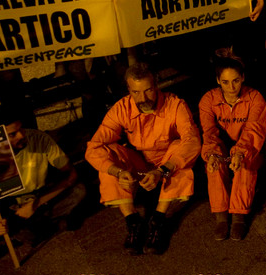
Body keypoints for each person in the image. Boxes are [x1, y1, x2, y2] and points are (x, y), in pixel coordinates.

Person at [86, 64, 201, 255]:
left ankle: (158, 219)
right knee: (108, 153)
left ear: (156, 86)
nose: (143, 98)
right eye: (136, 92)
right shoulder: (121, 109)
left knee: (180, 148)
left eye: (148, 91)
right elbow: (93, 147)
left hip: (166, 164)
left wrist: (163, 169)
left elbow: (192, 141)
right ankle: (132, 220)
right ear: (129, 90)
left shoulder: (175, 104)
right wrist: (118, 171)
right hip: (140, 165)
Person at [0, 113, 86, 247]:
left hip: (41, 195)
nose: (22, 135)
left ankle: (31, 230)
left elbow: (71, 174)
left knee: (78, 191)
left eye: (21, 129)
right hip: (9, 204)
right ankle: (43, 227)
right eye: (12, 134)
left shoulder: (38, 138)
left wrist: (36, 203)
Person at [198, 56, 266, 241]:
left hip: (248, 148)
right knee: (213, 165)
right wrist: (212, 154)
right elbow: (209, 132)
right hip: (221, 147)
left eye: (235, 80)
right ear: (218, 81)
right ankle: (221, 216)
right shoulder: (208, 100)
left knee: (245, 164)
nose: (231, 87)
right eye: (226, 82)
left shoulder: (255, 98)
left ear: (243, 78)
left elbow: (254, 131)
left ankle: (238, 215)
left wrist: (240, 153)